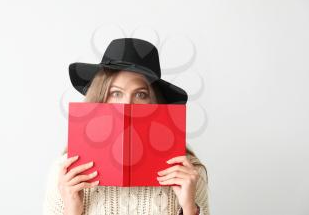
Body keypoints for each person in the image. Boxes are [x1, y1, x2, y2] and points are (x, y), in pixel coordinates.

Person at [43, 38, 210, 215]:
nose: (127, 105)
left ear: (156, 102)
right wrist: (72, 210)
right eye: (116, 93)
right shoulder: (65, 174)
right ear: (100, 99)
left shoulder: (188, 173)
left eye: (141, 94)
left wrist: (190, 208)